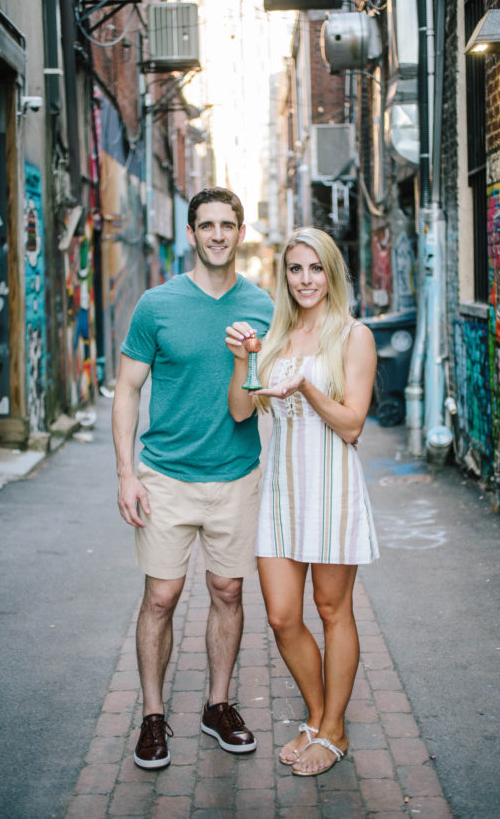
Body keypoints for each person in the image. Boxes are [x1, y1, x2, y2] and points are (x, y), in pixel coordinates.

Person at [112, 187, 273, 770]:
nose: (217, 235)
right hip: (165, 477)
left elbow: (257, 400)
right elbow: (128, 389)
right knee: (161, 595)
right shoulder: (157, 305)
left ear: (240, 230)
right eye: (206, 225)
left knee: (228, 592)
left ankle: (217, 704)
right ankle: (154, 716)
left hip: (235, 475)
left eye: (227, 224)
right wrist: (127, 474)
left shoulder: (262, 306)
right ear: (192, 232)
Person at [226, 226, 379, 778]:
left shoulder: (352, 336)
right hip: (282, 490)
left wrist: (308, 390)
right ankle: (318, 716)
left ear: (331, 273)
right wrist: (245, 360)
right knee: (282, 616)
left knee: (333, 610)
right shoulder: (276, 337)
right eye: (295, 269)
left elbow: (354, 425)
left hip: (332, 487)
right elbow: (243, 411)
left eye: (315, 268)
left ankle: (333, 728)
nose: (305, 279)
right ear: (284, 276)